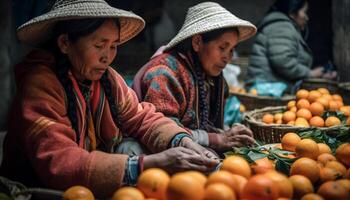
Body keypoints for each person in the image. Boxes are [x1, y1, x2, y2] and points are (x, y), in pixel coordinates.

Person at [0, 0, 219, 198]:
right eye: (99, 45)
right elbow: (59, 161)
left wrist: (183, 141)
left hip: (84, 180)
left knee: (137, 147)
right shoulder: (40, 83)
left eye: (113, 46)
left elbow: (141, 117)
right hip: (37, 188)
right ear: (65, 43)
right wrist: (150, 164)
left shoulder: (107, 78)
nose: (107, 56)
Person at [132, 2, 256, 153]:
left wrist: (226, 132)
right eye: (222, 48)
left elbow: (204, 125)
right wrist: (216, 138)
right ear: (197, 42)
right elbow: (163, 130)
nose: (227, 57)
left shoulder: (210, 76)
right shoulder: (163, 73)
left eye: (231, 50)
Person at [245, 0, 337, 89]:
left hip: (269, 85)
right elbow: (283, 61)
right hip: (266, 87)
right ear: (292, 13)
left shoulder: (284, 26)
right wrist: (310, 73)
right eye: (304, 12)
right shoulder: (282, 27)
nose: (306, 17)